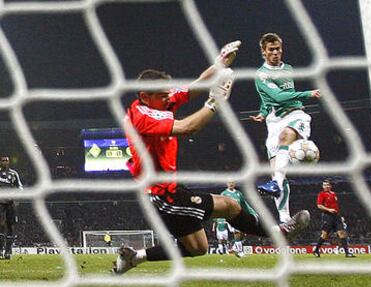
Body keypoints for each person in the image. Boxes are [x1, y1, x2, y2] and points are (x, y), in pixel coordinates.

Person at [112, 42, 311, 275]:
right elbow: (188, 127)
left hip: (165, 189)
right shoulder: (141, 116)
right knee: (229, 205)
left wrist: (219, 63)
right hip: (163, 195)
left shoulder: (158, 101)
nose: (169, 98)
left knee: (198, 248)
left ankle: (135, 258)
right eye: (163, 96)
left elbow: (193, 87)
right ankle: (279, 233)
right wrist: (215, 103)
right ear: (145, 96)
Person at [250, 33, 322, 223]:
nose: (275, 53)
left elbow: (284, 96)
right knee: (276, 170)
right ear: (263, 52)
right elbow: (276, 97)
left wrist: (264, 111)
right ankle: (284, 220)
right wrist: (264, 113)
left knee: (286, 136)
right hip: (274, 123)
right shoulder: (261, 75)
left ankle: (276, 184)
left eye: (278, 49)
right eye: (271, 50)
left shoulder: (288, 68)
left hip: (296, 115)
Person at [312, 179, 355, 258]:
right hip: (327, 216)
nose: (326, 186)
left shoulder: (334, 194)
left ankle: (347, 253)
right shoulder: (321, 194)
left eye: (327, 185)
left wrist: (339, 215)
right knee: (324, 235)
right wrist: (329, 209)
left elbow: (336, 206)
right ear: (322, 186)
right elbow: (319, 205)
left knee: (342, 233)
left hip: (336, 216)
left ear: (330, 186)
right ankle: (316, 250)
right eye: (324, 185)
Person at [221, 181, 258, 258]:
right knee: (237, 232)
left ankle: (234, 248)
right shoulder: (224, 194)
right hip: (230, 216)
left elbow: (245, 205)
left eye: (232, 182)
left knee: (242, 233)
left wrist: (253, 213)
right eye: (229, 182)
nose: (231, 184)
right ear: (226, 184)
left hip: (239, 215)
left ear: (235, 184)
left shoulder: (238, 194)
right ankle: (240, 251)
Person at [0, 156, 23, 260]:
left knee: (10, 226)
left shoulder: (14, 174)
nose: (5, 162)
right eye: (3, 160)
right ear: (1, 162)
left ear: (9, 162)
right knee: (1, 225)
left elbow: (20, 187)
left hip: (10, 202)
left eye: (6, 160)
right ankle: (0, 250)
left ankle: (8, 251)